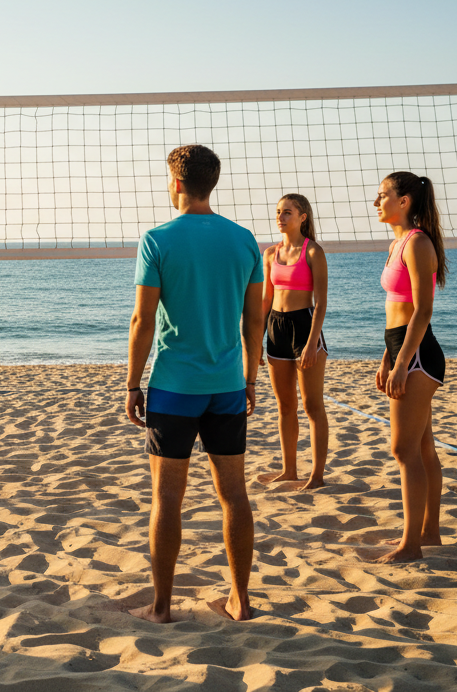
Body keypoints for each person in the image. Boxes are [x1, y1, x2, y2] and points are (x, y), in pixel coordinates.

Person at [125, 144, 264, 623]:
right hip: (226, 385)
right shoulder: (244, 239)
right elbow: (254, 321)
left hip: (174, 389)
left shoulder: (157, 239)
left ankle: (161, 607)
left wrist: (131, 384)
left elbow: (144, 320)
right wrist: (249, 378)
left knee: (166, 499)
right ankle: (240, 600)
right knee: (234, 494)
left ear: (178, 183)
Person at [371, 171, 447, 563]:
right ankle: (429, 532)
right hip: (402, 347)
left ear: (404, 201)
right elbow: (394, 313)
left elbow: (422, 311)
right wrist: (388, 356)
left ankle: (411, 545)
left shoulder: (417, 244)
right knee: (422, 447)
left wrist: (402, 363)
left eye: (382, 195)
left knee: (403, 450)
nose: (376, 201)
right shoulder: (397, 242)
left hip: (417, 353)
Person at [259, 194, 330, 489]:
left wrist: (312, 342)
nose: (280, 217)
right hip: (276, 327)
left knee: (312, 406)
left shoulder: (313, 252)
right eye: (278, 212)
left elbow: (322, 302)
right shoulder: (269, 253)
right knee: (285, 406)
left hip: (305, 327)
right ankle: (289, 470)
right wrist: (257, 341)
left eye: (287, 212)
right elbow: (265, 301)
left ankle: (316, 475)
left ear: (303, 217)